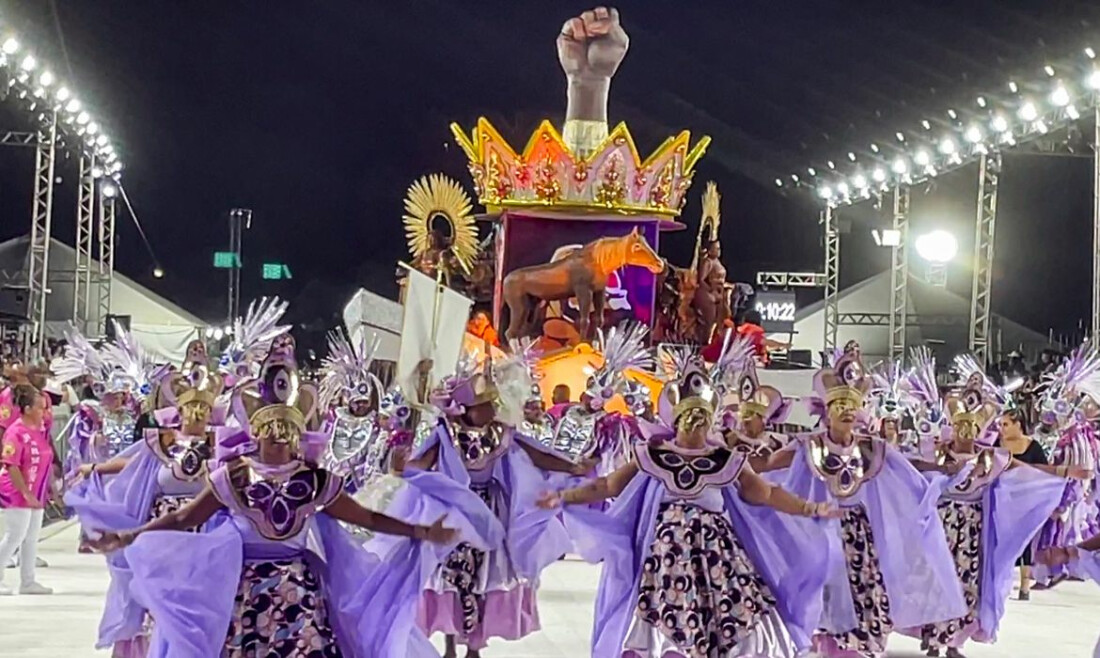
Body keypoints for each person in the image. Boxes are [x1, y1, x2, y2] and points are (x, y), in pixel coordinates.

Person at [88, 340, 474, 657]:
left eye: (283, 430)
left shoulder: (314, 479)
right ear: (255, 431)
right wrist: (129, 535)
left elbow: (365, 518)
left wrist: (420, 531)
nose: (276, 437)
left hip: (298, 594)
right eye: (270, 429)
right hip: (242, 596)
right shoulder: (234, 476)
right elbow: (184, 518)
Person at [541, 350, 838, 657]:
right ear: (678, 420)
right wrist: (565, 496)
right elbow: (607, 485)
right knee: (661, 621)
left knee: (731, 618)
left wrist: (809, 508)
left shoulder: (726, 460)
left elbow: (768, 493)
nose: (695, 427)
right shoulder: (653, 455)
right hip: (664, 560)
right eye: (689, 421)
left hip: (718, 558)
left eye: (701, 421)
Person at [765, 345, 967, 657]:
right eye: (840, 405)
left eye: (852, 406)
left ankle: (859, 648)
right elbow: (767, 465)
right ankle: (830, 647)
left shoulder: (873, 448)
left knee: (866, 593)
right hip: (822, 531)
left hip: (858, 535)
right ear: (827, 410)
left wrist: (942, 469)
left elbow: (909, 465)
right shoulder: (807, 445)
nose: (847, 411)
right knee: (827, 596)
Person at [382, 351, 583, 658]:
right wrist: (402, 469)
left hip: (490, 512)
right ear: (466, 410)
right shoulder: (446, 433)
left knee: (485, 579)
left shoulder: (501, 432)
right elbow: (423, 462)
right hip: (454, 512)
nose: (492, 409)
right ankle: (451, 644)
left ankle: (475, 645)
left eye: (492, 403)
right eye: (484, 405)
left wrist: (571, 467)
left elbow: (537, 454)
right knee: (451, 576)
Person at [918, 380, 1077, 658]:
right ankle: (934, 638)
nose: (966, 433)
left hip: (973, 530)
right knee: (937, 580)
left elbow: (1023, 468)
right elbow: (916, 468)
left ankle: (954, 642)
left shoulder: (989, 456)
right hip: (942, 526)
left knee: (967, 583)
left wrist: (1063, 471)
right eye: (961, 427)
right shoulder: (940, 453)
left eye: (971, 428)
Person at [0, 383, 54, 595]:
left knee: (31, 537)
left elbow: (46, 459)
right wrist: (25, 492)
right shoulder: (15, 432)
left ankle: (28, 581)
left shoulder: (40, 430)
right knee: (15, 535)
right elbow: (11, 464)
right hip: (17, 489)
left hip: (36, 488)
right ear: (28, 409)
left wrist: (47, 488)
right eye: (40, 408)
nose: (45, 412)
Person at [996, 407, 1052, 601]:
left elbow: (1044, 471)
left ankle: (1025, 585)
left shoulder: (1033, 446)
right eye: (1001, 424)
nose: (1002, 428)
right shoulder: (997, 444)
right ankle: (1001, 581)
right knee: (1002, 539)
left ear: (1017, 425)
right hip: (1002, 499)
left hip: (1026, 500)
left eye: (1005, 424)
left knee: (1025, 540)